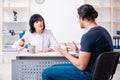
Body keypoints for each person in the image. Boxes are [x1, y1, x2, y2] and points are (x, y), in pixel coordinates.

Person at [42, 4, 113, 80]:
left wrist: (64, 53)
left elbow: (81, 66)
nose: (78, 21)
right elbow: (94, 55)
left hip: (88, 75)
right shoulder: (103, 31)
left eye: (78, 18)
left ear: (82, 17)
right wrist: (78, 51)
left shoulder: (88, 36)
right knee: (53, 67)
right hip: (101, 74)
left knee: (46, 72)